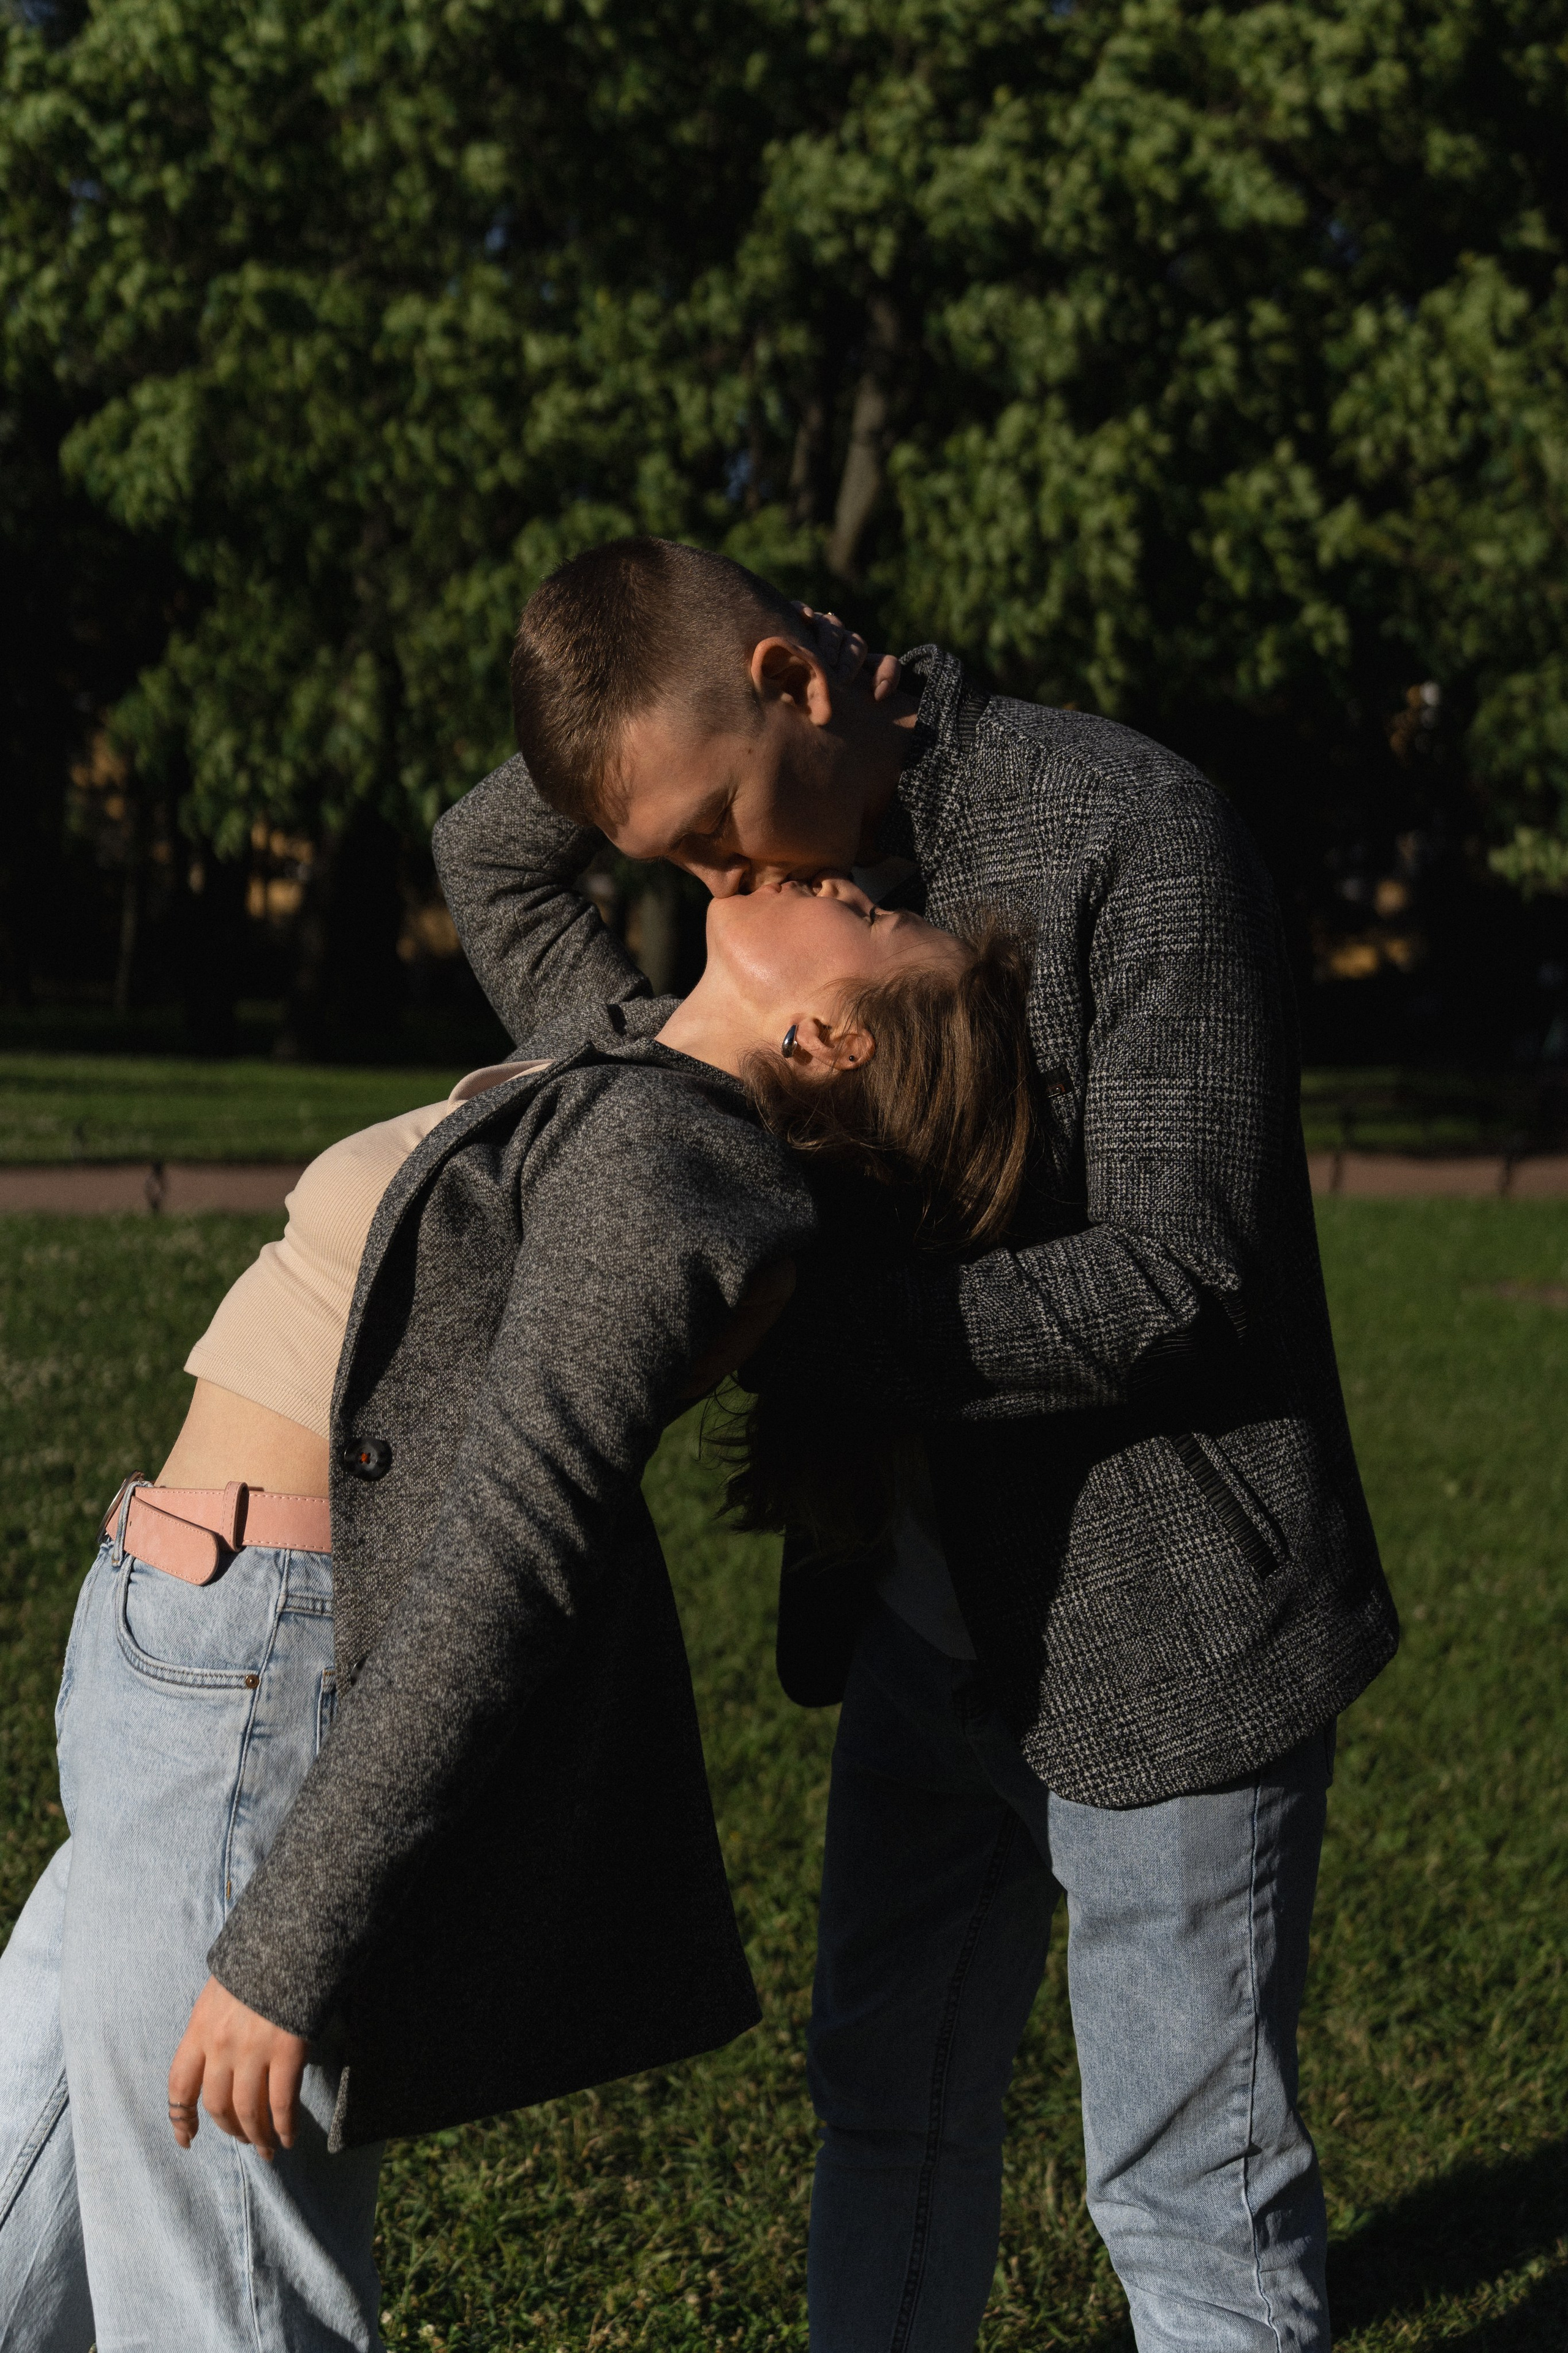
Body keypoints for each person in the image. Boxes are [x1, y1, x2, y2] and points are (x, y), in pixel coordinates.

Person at [431, 534, 1402, 2353]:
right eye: (676, 860)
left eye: (715, 829)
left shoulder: (1131, 826)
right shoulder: (766, 911)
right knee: (888, 2110)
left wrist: (803, 1333)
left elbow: (1191, 1278)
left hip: (1167, 1636)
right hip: (920, 1635)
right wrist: (666, 670)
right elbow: (492, 850)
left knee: (1185, 2201)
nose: (717, 883)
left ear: (800, 693)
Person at [0, 873, 1036, 2353]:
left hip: (268, 1684)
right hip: (177, 1642)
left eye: (866, 912)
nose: (833, 873)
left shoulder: (672, 1162)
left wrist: (287, 1943)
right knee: (21, 2189)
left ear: (828, 1038)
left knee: (217, 2298)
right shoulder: (625, 1055)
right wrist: (762, 771)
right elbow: (498, 841)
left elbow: (508, 1558)